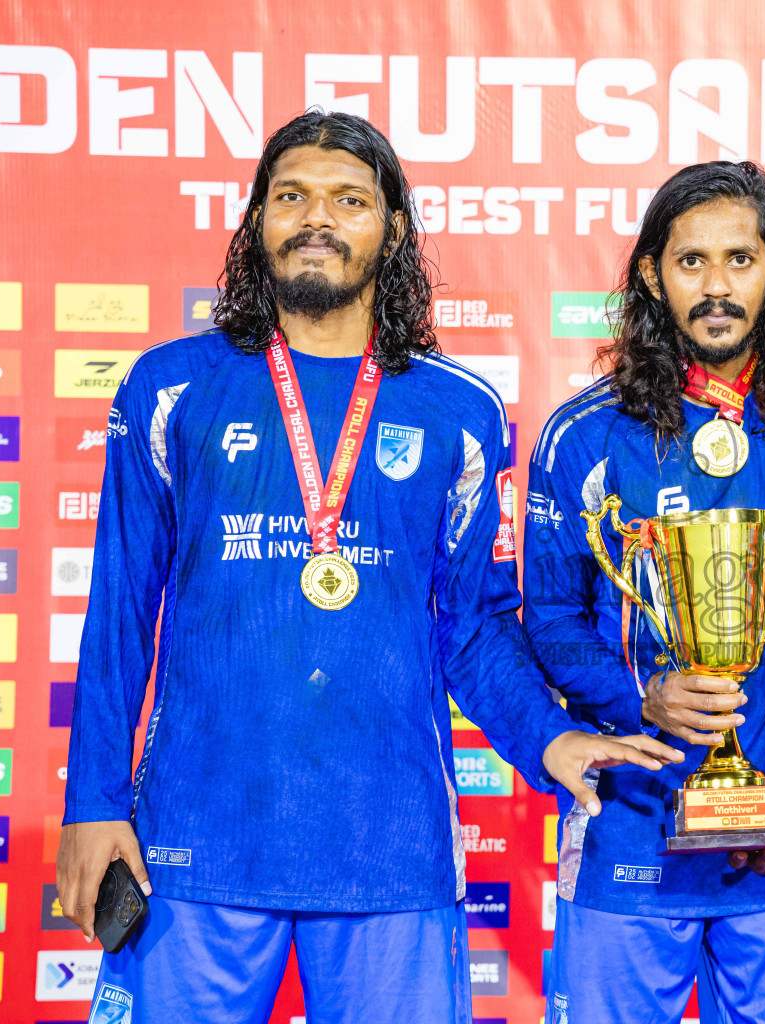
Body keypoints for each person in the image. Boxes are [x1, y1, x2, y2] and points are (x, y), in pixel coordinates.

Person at [57, 110, 680, 1024]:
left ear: (391, 229)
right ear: (256, 221)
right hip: (194, 837)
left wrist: (549, 738)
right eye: (292, 197)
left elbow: (472, 627)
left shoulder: (456, 409)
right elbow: (118, 617)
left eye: (349, 200)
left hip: (389, 841)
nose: (318, 218)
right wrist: (93, 803)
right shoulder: (170, 387)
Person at [523, 161, 765, 1024]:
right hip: (627, 833)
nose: (717, 286)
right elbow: (548, 616)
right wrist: (638, 694)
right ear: (652, 273)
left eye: (740, 259)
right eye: (691, 262)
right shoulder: (585, 432)